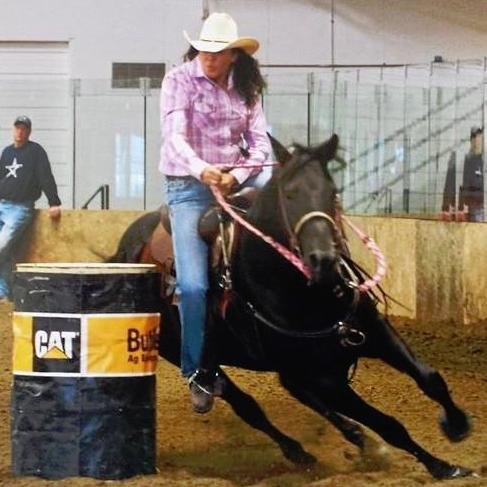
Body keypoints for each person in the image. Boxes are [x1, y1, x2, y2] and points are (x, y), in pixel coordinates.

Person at [159, 12, 270, 413]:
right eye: (204, 49)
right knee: (192, 286)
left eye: (218, 52)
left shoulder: (247, 90)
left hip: (237, 183)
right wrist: (204, 170)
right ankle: (197, 370)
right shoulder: (178, 80)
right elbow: (174, 138)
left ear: (234, 56)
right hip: (189, 188)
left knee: (287, 222)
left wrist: (236, 173)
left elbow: (260, 144)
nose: (209, 57)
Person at [0, 116, 61, 299]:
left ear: (29, 131)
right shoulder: (7, 152)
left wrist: (54, 202)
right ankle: (2, 293)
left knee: (2, 246)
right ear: (13, 130)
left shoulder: (36, 151)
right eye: (17, 128)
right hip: (2, 204)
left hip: (20, 208)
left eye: (23, 129)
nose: (20, 132)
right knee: (6, 251)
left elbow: (45, 176)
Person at [461, 126, 484, 222]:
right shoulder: (469, 159)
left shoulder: (482, 158)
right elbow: (466, 181)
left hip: (482, 203)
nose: (478, 141)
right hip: (474, 205)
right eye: (476, 139)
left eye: (480, 138)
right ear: (472, 141)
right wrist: (465, 203)